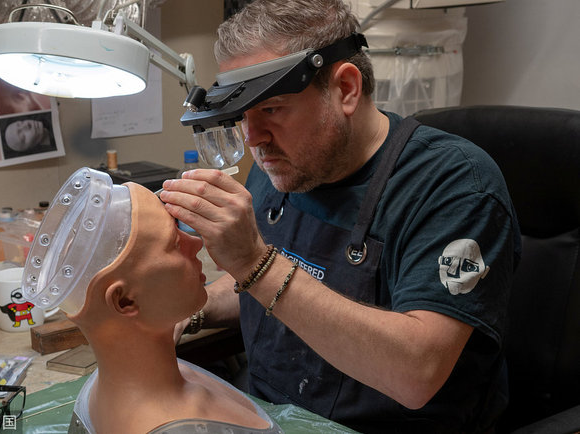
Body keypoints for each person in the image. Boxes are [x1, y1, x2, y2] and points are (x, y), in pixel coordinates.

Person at [159, 0, 521, 432]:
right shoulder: (285, 165)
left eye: (271, 109)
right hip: (268, 416)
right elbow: (266, 287)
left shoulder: (455, 186)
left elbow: (416, 373)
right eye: (242, 116)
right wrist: (188, 309)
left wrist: (253, 264)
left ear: (345, 89)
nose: (254, 140)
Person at [22, 168, 281, 434]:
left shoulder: (102, 390)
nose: (196, 243)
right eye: (174, 244)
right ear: (124, 302)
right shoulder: (172, 425)